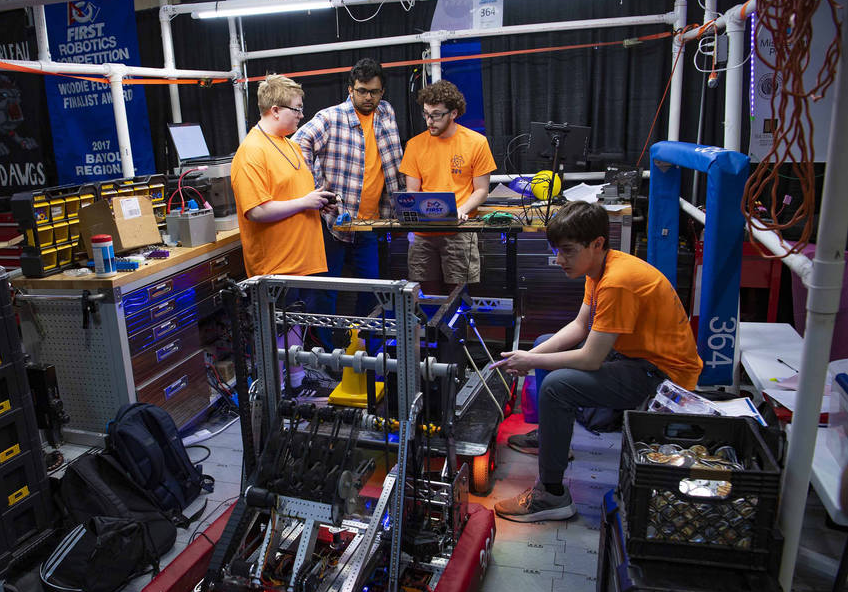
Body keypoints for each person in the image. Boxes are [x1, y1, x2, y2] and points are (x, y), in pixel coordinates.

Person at [493, 200, 703, 523]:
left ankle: (552, 494)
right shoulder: (599, 268)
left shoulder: (617, 281)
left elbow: (591, 359)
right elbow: (579, 326)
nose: (558, 260)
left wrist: (532, 361)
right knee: (542, 344)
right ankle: (552, 438)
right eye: (556, 250)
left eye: (567, 251)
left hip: (663, 376)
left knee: (557, 387)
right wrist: (534, 354)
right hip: (636, 357)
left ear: (598, 244)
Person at [231, 74, 336, 395]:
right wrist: (305, 201)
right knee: (277, 332)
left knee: (294, 329)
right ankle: (277, 393)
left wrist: (317, 202)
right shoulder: (251, 152)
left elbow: (292, 196)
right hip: (277, 263)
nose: (301, 115)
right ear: (274, 110)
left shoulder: (289, 145)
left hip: (303, 259)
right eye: (296, 109)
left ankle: (296, 382)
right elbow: (257, 211)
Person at [293, 58, 404, 345]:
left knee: (370, 288)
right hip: (334, 221)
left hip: (370, 222)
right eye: (362, 91)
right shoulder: (331, 117)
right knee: (326, 291)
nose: (369, 97)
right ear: (350, 89)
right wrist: (314, 187)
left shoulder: (386, 113)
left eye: (375, 91)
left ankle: (364, 344)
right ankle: (328, 353)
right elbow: (298, 143)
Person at [399, 80, 496, 295]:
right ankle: (431, 331)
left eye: (436, 115)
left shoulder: (476, 142)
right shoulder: (414, 145)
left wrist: (461, 209)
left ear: (453, 113)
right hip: (423, 232)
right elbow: (412, 192)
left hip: (459, 231)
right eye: (425, 114)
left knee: (458, 297)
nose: (429, 121)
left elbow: (481, 190)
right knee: (427, 296)